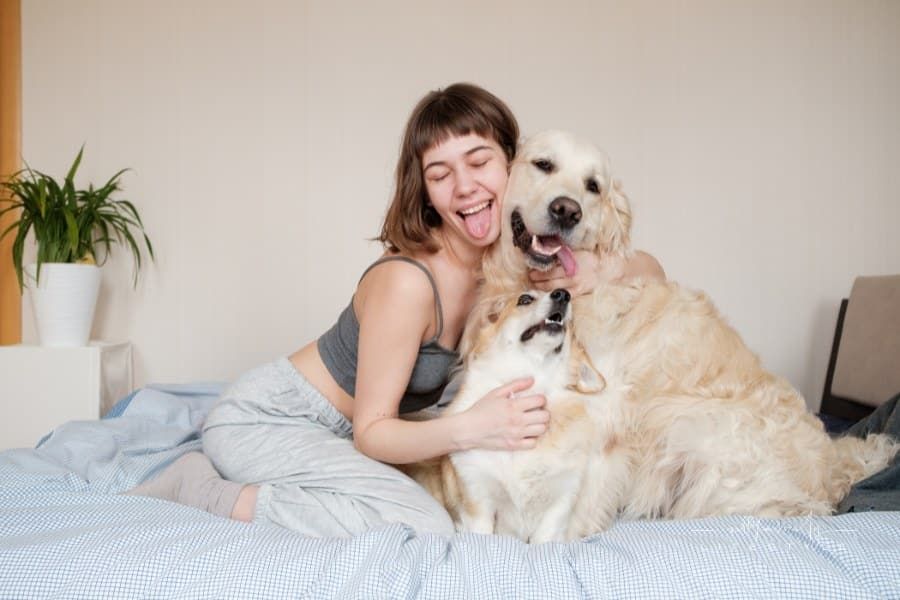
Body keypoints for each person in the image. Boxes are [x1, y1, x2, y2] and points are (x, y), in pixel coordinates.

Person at [127, 83, 666, 537]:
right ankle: (203, 490)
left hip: (345, 436)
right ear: (425, 191)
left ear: (513, 165)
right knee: (422, 521)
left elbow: (652, 272)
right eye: (440, 174)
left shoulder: (510, 264)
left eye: (479, 162)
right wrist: (472, 428)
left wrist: (598, 271)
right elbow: (372, 433)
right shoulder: (408, 283)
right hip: (272, 421)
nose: (466, 188)